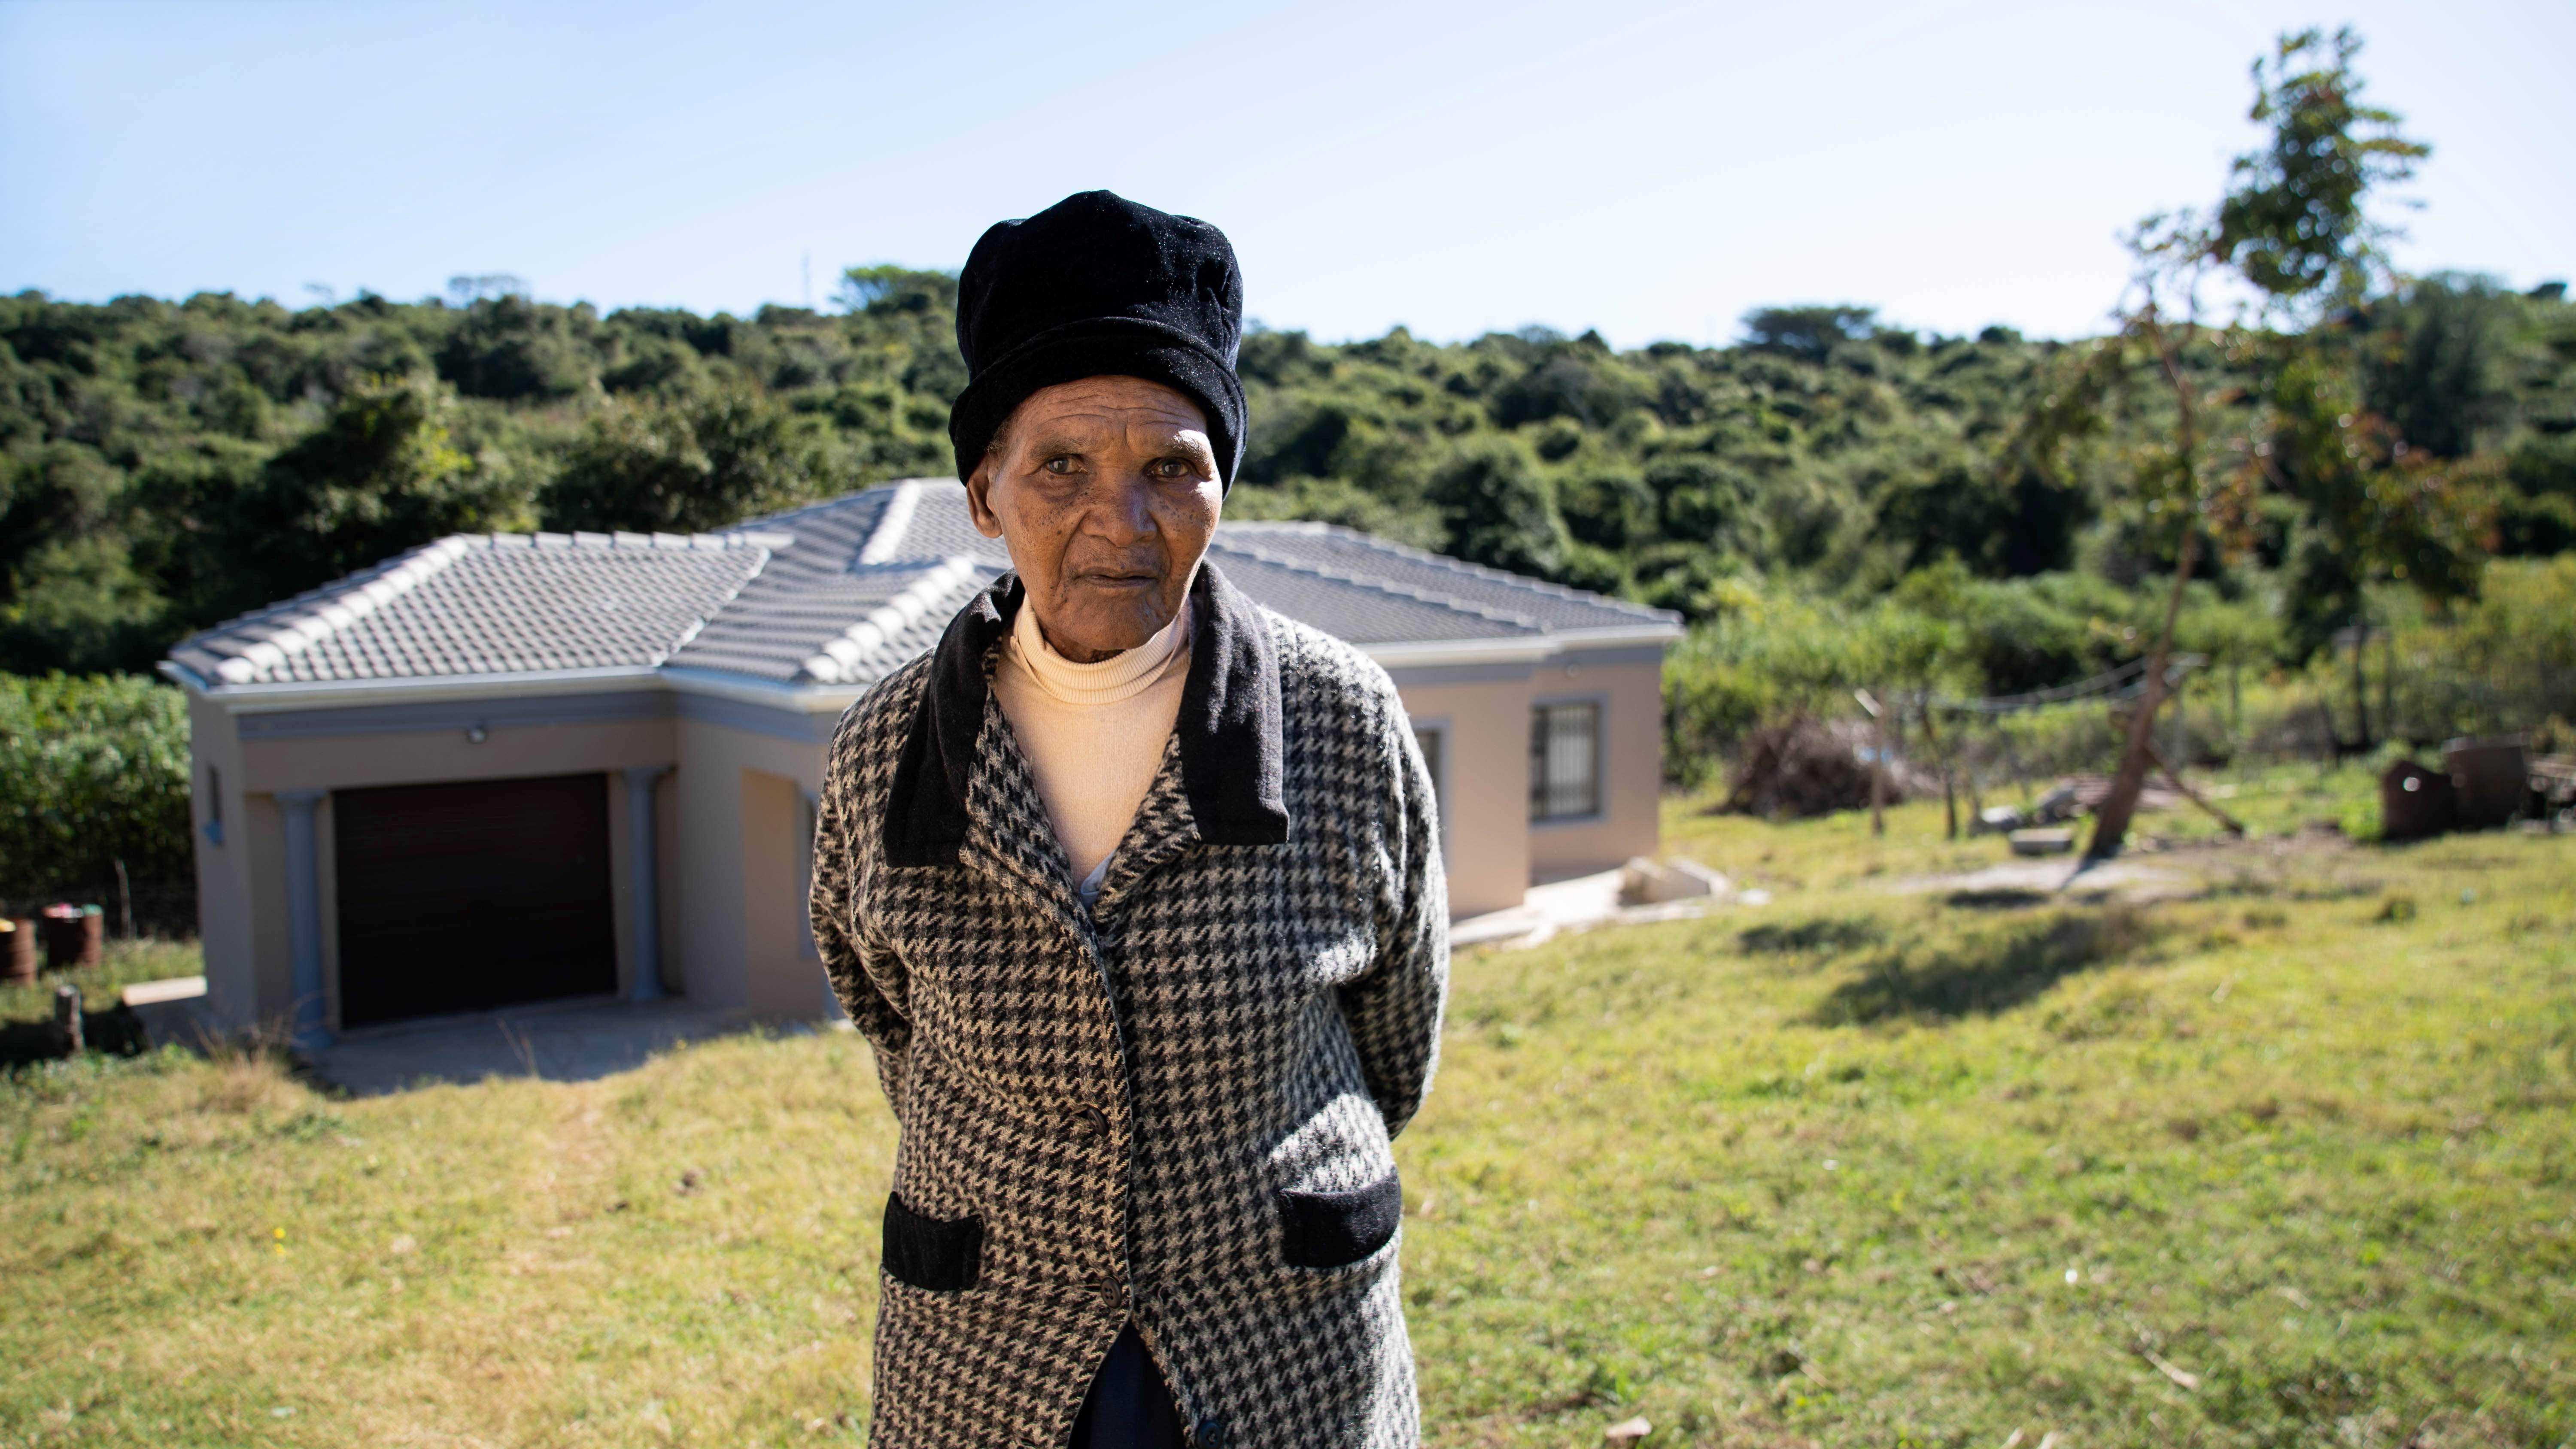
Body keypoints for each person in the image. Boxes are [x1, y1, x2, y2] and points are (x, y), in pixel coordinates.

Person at [808, 191, 1449, 1449]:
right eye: (1061, 467)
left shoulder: (1340, 720)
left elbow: (1396, 1040)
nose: (1126, 518)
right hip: (989, 1344)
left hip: (1282, 1338)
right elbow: (888, 1017)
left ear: (1223, 487)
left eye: (1173, 467)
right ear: (984, 493)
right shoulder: (886, 749)